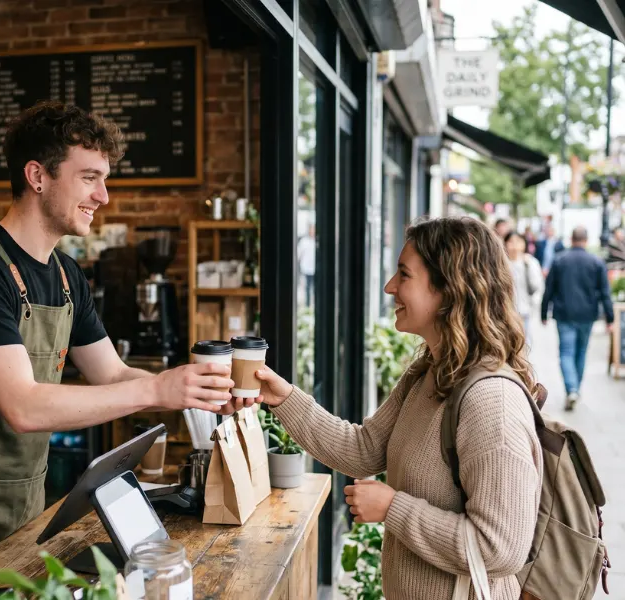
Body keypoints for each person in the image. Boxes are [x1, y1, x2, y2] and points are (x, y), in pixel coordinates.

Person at [0, 101, 241, 600]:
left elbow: (111, 374)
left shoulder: (66, 274)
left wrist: (192, 390)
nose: (103, 195)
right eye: (89, 178)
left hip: (23, 499)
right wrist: (157, 387)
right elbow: (23, 406)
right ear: (37, 176)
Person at [255, 217, 542, 600]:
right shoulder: (430, 372)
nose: (390, 287)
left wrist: (394, 508)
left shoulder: (492, 404)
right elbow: (362, 450)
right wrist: (283, 397)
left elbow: (501, 548)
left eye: (403, 275)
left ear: (448, 290)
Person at [541, 226, 614, 411]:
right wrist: (610, 319)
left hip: (564, 314)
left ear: (571, 239)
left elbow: (548, 289)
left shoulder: (559, 260)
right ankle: (575, 388)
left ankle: (571, 388)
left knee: (566, 352)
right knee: (581, 352)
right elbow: (605, 293)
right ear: (586, 240)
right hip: (587, 315)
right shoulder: (596, 262)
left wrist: (543, 313)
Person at [504, 231, 543, 347]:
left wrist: (533, 306)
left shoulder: (531, 262)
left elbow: (537, 286)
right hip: (505, 311)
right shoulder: (501, 263)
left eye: (518, 242)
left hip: (524, 311)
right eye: (511, 242)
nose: (515, 245)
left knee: (524, 343)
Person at [297, 224, 316, 308]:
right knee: (308, 287)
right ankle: (308, 305)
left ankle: (315, 304)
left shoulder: (316, 241)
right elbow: (298, 254)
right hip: (307, 268)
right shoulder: (304, 241)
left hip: (316, 268)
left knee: (315, 288)